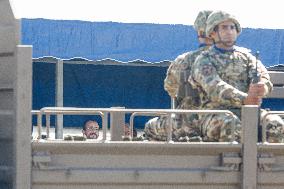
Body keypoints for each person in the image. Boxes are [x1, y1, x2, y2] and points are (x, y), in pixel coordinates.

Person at [189, 10, 284, 142]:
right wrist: (245, 99)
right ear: (212, 33)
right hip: (216, 115)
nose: (229, 31)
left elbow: (263, 75)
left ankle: (265, 161)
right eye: (224, 27)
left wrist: (262, 87)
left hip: (249, 111)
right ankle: (233, 163)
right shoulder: (204, 60)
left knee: (275, 124)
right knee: (231, 125)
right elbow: (215, 88)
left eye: (232, 27)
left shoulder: (247, 57)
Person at [144, 10, 213, 141]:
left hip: (188, 125)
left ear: (199, 32)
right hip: (226, 123)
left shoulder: (184, 60)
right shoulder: (238, 59)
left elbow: (170, 89)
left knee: (149, 127)